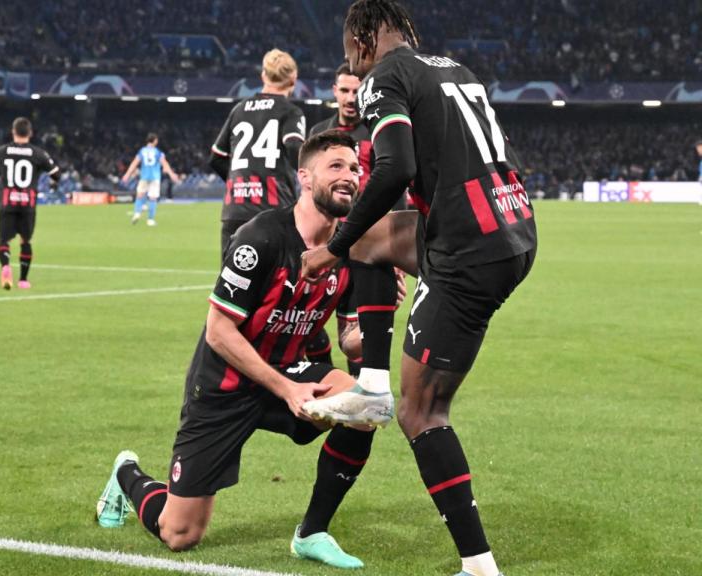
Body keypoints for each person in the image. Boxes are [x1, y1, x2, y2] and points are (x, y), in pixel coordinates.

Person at [299, 2, 537, 575]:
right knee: (370, 241)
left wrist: (330, 248)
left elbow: (396, 167)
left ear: (361, 39)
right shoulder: (455, 69)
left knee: (423, 412)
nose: (350, 65)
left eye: (349, 51)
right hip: (512, 226)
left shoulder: (385, 75)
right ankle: (372, 384)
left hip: (468, 250)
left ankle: (479, 567)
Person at [96, 131, 385, 569]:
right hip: (225, 386)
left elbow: (348, 339)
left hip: (293, 369)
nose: (349, 177)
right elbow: (218, 331)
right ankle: (126, 475)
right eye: (336, 167)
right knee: (180, 534)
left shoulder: (350, 249)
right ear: (305, 177)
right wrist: (286, 389)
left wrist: (376, 314)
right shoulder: (262, 237)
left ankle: (312, 532)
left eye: (354, 168)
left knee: (365, 407)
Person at [311, 61, 408, 377]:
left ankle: (359, 412)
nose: (351, 98)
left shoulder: (379, 130)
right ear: (334, 92)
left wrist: (395, 254)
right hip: (329, 247)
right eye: (345, 90)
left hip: (367, 248)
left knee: (358, 340)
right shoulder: (318, 134)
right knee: (306, 327)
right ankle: (323, 390)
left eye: (357, 90)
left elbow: (396, 190)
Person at [209, 49, 306, 258]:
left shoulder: (240, 109)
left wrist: (242, 181)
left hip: (235, 210)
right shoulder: (290, 111)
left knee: (231, 286)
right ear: (294, 79)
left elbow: (216, 157)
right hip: (274, 210)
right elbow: (293, 147)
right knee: (276, 284)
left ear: (263, 75)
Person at [0, 117, 60, 290]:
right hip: (27, 203)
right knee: (25, 241)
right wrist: (52, 182)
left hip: (7, 201)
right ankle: (23, 280)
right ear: (30, 133)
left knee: (3, 240)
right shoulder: (38, 153)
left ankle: (5, 266)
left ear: (13, 131)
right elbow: (55, 174)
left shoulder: (2, 150)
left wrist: (1, 171)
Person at [121, 133, 181, 226]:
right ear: (155, 141)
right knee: (153, 198)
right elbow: (164, 163)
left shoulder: (142, 151)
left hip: (144, 176)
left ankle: (137, 213)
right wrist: (172, 174)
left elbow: (134, 163)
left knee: (140, 196)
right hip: (155, 177)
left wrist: (127, 175)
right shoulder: (157, 152)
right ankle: (150, 220)